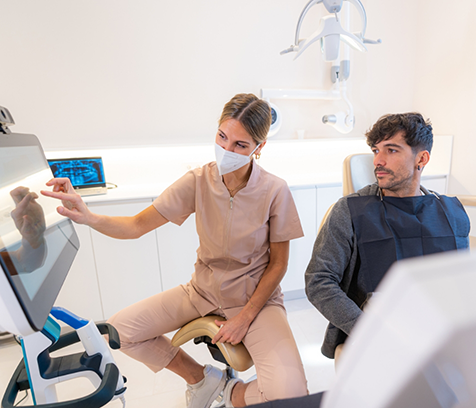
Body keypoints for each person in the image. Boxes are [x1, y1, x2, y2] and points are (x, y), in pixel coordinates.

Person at [41, 93, 308, 408]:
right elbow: (137, 226)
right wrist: (88, 217)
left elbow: (278, 265)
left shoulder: (275, 190)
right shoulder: (198, 180)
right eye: (222, 137)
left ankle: (228, 393)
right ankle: (202, 379)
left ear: (259, 148)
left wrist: (245, 317)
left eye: (240, 145)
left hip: (255, 301)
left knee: (291, 397)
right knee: (121, 331)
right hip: (202, 291)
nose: (226, 150)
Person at [305, 112, 470, 362]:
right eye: (375, 150)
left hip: (440, 333)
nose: (378, 161)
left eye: (391, 150)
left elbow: (457, 284)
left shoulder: (451, 213)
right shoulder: (350, 211)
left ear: (421, 158)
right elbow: (318, 280)